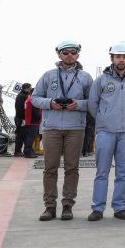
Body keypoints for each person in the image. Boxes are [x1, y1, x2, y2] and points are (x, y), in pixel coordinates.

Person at [32, 40, 94, 221]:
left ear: (78, 55)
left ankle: (68, 205)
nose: (69, 55)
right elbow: (35, 98)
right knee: (50, 168)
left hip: (75, 128)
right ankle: (49, 207)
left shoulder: (85, 77)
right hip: (51, 128)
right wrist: (50, 103)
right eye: (65, 52)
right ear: (59, 54)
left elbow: (93, 102)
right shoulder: (48, 75)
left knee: (72, 168)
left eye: (73, 52)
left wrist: (78, 105)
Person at [87, 42, 125, 221]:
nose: (121, 59)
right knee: (102, 171)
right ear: (112, 58)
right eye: (118, 56)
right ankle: (98, 208)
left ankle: (120, 207)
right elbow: (92, 104)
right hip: (106, 131)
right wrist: (103, 120)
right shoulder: (102, 80)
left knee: (123, 173)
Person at [22, 89, 42, 158]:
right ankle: (28, 152)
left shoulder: (28, 99)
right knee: (30, 138)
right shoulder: (32, 101)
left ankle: (29, 151)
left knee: (29, 138)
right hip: (33, 122)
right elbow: (37, 113)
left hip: (29, 121)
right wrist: (40, 118)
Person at [13, 83, 31, 157]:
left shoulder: (21, 95)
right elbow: (20, 109)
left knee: (21, 135)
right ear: (26, 88)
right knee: (20, 135)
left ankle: (18, 151)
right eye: (30, 88)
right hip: (21, 118)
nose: (30, 89)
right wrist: (23, 119)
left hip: (20, 118)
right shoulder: (22, 96)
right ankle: (17, 151)